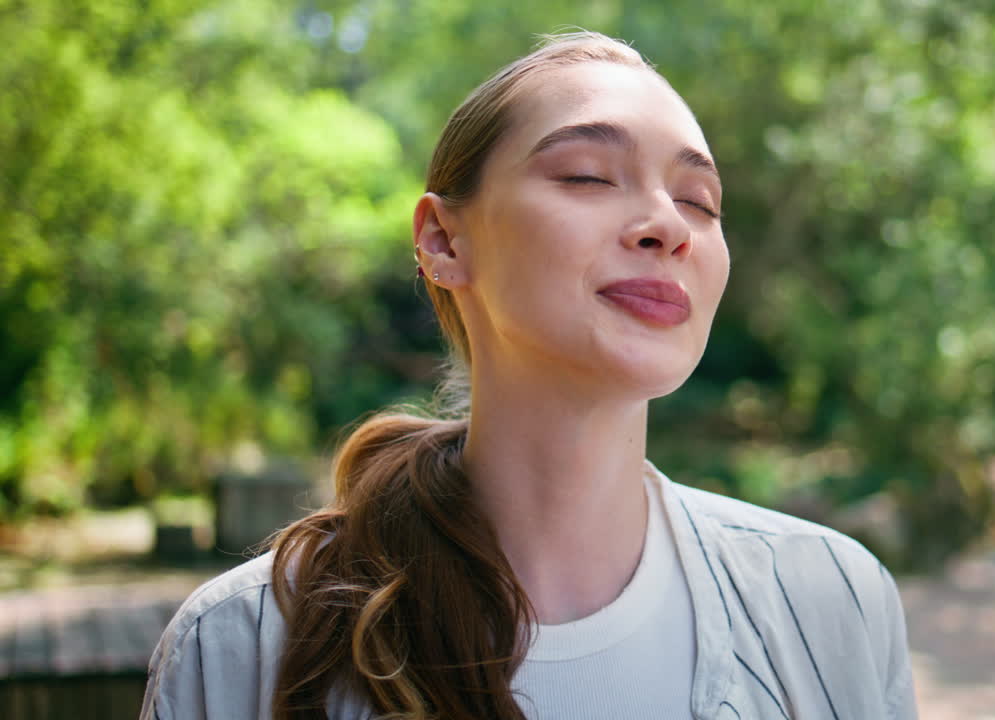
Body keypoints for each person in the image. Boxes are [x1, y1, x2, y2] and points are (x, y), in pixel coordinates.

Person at [141, 31, 918, 720]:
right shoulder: (245, 646)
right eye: (585, 175)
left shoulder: (835, 602)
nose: (667, 225)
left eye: (698, 200)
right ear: (443, 240)